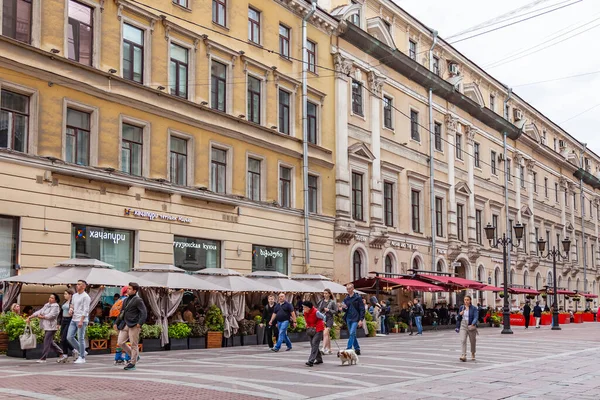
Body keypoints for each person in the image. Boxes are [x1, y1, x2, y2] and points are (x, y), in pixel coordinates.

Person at [114, 282, 147, 371]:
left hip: (134, 325)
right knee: (120, 342)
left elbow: (144, 312)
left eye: (129, 288)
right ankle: (135, 356)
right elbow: (121, 312)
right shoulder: (125, 300)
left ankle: (132, 363)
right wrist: (116, 323)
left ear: (134, 290)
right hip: (125, 324)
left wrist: (140, 323)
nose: (127, 290)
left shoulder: (138, 300)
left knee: (133, 344)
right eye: (127, 288)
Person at [27, 293, 64, 363]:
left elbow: (51, 315)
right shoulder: (47, 305)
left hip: (51, 327)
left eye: (52, 298)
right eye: (50, 297)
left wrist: (43, 317)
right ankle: (61, 353)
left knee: (46, 341)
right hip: (46, 326)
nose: (50, 299)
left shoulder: (56, 306)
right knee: (50, 342)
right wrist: (31, 316)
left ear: (56, 300)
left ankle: (43, 358)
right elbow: (40, 311)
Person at [67, 279, 91, 364]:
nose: (77, 285)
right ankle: (82, 351)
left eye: (79, 284)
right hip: (74, 318)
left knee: (80, 338)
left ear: (84, 286)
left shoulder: (86, 297)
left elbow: (86, 310)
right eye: (77, 284)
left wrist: (81, 320)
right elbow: (72, 304)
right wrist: (71, 309)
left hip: (82, 319)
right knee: (69, 337)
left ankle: (82, 357)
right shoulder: (74, 296)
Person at [341, 283, 364, 356]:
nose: (348, 290)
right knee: (352, 334)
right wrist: (344, 307)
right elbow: (345, 310)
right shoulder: (346, 298)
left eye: (350, 289)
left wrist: (361, 319)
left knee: (352, 333)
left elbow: (362, 309)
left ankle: (348, 349)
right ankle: (357, 348)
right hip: (348, 318)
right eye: (347, 289)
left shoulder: (358, 297)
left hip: (355, 318)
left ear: (353, 288)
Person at [303, 301, 326, 367]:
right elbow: (306, 319)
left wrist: (324, 322)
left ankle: (311, 361)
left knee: (314, 343)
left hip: (318, 329)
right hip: (310, 329)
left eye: (304, 307)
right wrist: (306, 324)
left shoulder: (316, 312)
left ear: (309, 308)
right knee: (313, 345)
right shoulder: (305, 312)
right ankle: (319, 359)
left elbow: (324, 317)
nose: (303, 308)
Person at [456, 295, 479, 362]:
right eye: (465, 300)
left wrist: (473, 323)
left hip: (471, 325)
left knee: (472, 341)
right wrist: (460, 314)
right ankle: (463, 355)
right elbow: (458, 318)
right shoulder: (461, 307)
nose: (466, 301)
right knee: (463, 340)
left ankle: (473, 353)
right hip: (463, 325)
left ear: (470, 301)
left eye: (467, 300)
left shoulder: (474, 308)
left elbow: (476, 317)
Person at [57, 289, 75, 363]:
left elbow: (73, 311)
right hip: (63, 320)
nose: (64, 295)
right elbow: (61, 313)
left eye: (66, 294)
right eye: (64, 294)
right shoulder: (64, 302)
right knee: (62, 337)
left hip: (69, 320)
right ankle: (73, 350)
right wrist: (58, 323)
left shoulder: (72, 302)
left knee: (64, 338)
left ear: (70, 295)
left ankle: (66, 354)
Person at [317, 288, 337, 354]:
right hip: (322, 319)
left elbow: (336, 311)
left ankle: (323, 348)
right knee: (327, 334)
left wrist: (329, 310)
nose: (325, 295)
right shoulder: (321, 302)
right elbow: (318, 310)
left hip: (329, 319)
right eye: (324, 293)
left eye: (326, 293)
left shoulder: (332, 302)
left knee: (325, 333)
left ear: (329, 294)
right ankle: (329, 349)